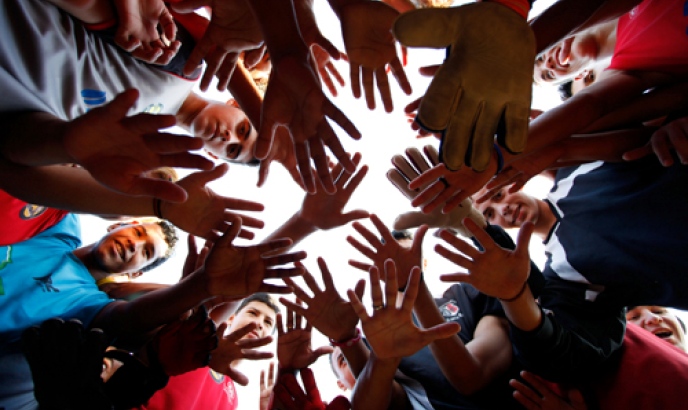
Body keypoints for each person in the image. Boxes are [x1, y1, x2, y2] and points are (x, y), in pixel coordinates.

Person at [0, 209, 305, 409]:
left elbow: (129, 319)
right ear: (118, 223)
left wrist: (200, 286)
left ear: (136, 272)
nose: (134, 244)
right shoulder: (56, 228)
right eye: (137, 233)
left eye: (146, 252)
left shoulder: (89, 304)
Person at [138, 293, 280, 410]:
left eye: (268, 322)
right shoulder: (195, 344)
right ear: (231, 317)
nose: (259, 323)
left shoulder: (232, 400)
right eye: (253, 313)